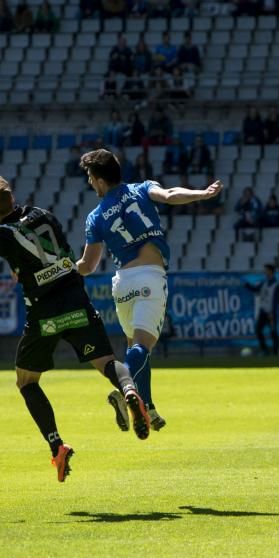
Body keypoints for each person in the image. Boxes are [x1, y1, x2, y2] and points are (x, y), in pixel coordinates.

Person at [0, 175, 150, 482]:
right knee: (107, 361)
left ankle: (57, 446)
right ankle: (130, 391)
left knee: (26, 381)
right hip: (76, 299)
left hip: (44, 313)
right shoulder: (44, 214)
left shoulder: (3, 236)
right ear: (12, 198)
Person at [76, 150, 223, 434]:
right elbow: (170, 195)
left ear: (99, 180)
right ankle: (122, 393)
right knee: (143, 347)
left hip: (122, 284)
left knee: (136, 349)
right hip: (150, 278)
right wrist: (202, 194)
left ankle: (150, 408)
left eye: (90, 179)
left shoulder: (95, 217)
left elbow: (88, 266)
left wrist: (65, 266)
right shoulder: (141, 188)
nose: (91, 184)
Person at [245, 264, 279, 356]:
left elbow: (276, 300)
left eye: (266, 270)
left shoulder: (276, 284)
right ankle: (265, 350)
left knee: (273, 331)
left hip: (270, 312)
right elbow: (256, 289)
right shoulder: (264, 282)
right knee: (258, 330)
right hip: (263, 311)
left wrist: (272, 312)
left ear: (271, 271)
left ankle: (276, 351)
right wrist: (248, 286)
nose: (265, 272)